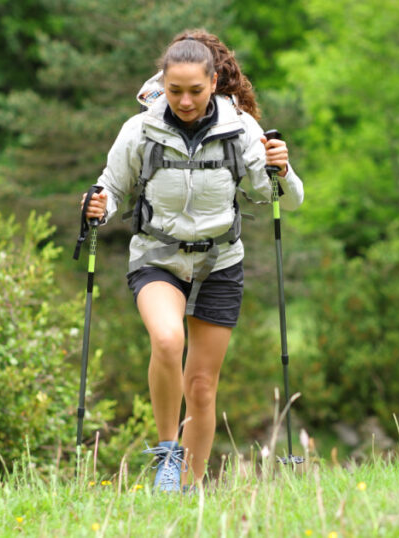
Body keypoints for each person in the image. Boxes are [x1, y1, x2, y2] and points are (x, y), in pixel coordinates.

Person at [80, 30, 304, 493]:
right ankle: (167, 455)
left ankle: (188, 492)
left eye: (195, 91)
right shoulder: (139, 129)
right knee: (167, 339)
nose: (184, 100)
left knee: (201, 387)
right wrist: (95, 205)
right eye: (176, 90)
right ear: (163, 82)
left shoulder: (241, 128)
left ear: (214, 81)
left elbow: (281, 197)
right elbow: (111, 186)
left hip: (220, 262)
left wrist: (280, 168)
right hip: (157, 256)